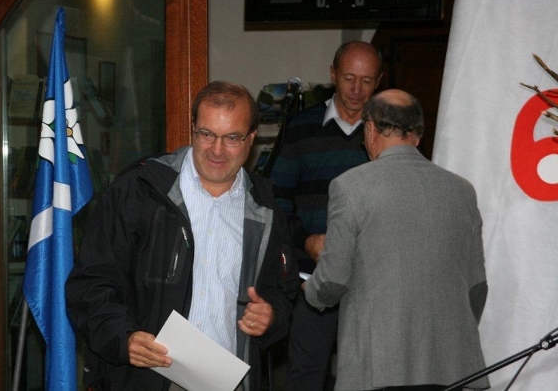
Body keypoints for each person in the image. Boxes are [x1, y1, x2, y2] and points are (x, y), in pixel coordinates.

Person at [65, 81, 299, 391]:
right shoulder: (140, 190)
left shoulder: (265, 208)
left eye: (232, 138)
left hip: (229, 380)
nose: (217, 150)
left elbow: (283, 292)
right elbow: (91, 283)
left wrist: (272, 317)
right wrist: (123, 338)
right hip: (147, 378)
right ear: (192, 128)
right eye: (207, 134)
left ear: (251, 137)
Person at [303, 89, 490, 391]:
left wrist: (311, 291)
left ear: (370, 129)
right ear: (418, 135)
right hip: (454, 368)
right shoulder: (462, 190)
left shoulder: (350, 187)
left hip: (378, 370)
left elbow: (332, 281)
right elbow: (477, 288)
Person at [269, 41, 383, 390]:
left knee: (370, 378)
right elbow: (275, 200)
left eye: (367, 80)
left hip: (372, 282)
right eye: (349, 78)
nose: (357, 89)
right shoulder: (302, 128)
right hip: (311, 278)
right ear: (333, 75)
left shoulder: (388, 133)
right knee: (306, 375)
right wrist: (306, 241)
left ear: (378, 82)